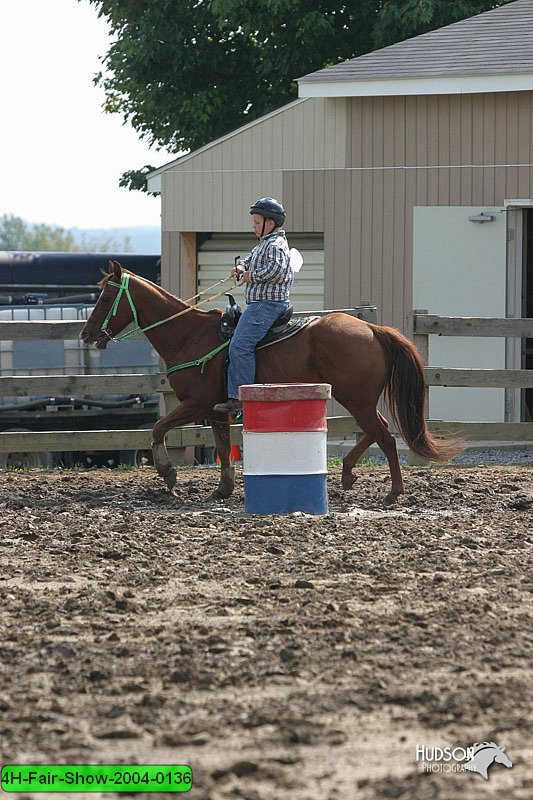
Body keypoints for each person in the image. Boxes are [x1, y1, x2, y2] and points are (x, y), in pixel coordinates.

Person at [213, 197, 293, 413]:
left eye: (257, 222)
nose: (253, 226)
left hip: (267, 305)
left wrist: (249, 276)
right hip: (261, 303)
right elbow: (252, 258)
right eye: (254, 222)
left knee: (239, 345)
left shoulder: (275, 246)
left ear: (270, 223)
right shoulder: (265, 244)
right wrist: (240, 266)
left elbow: (276, 270)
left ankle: (242, 398)